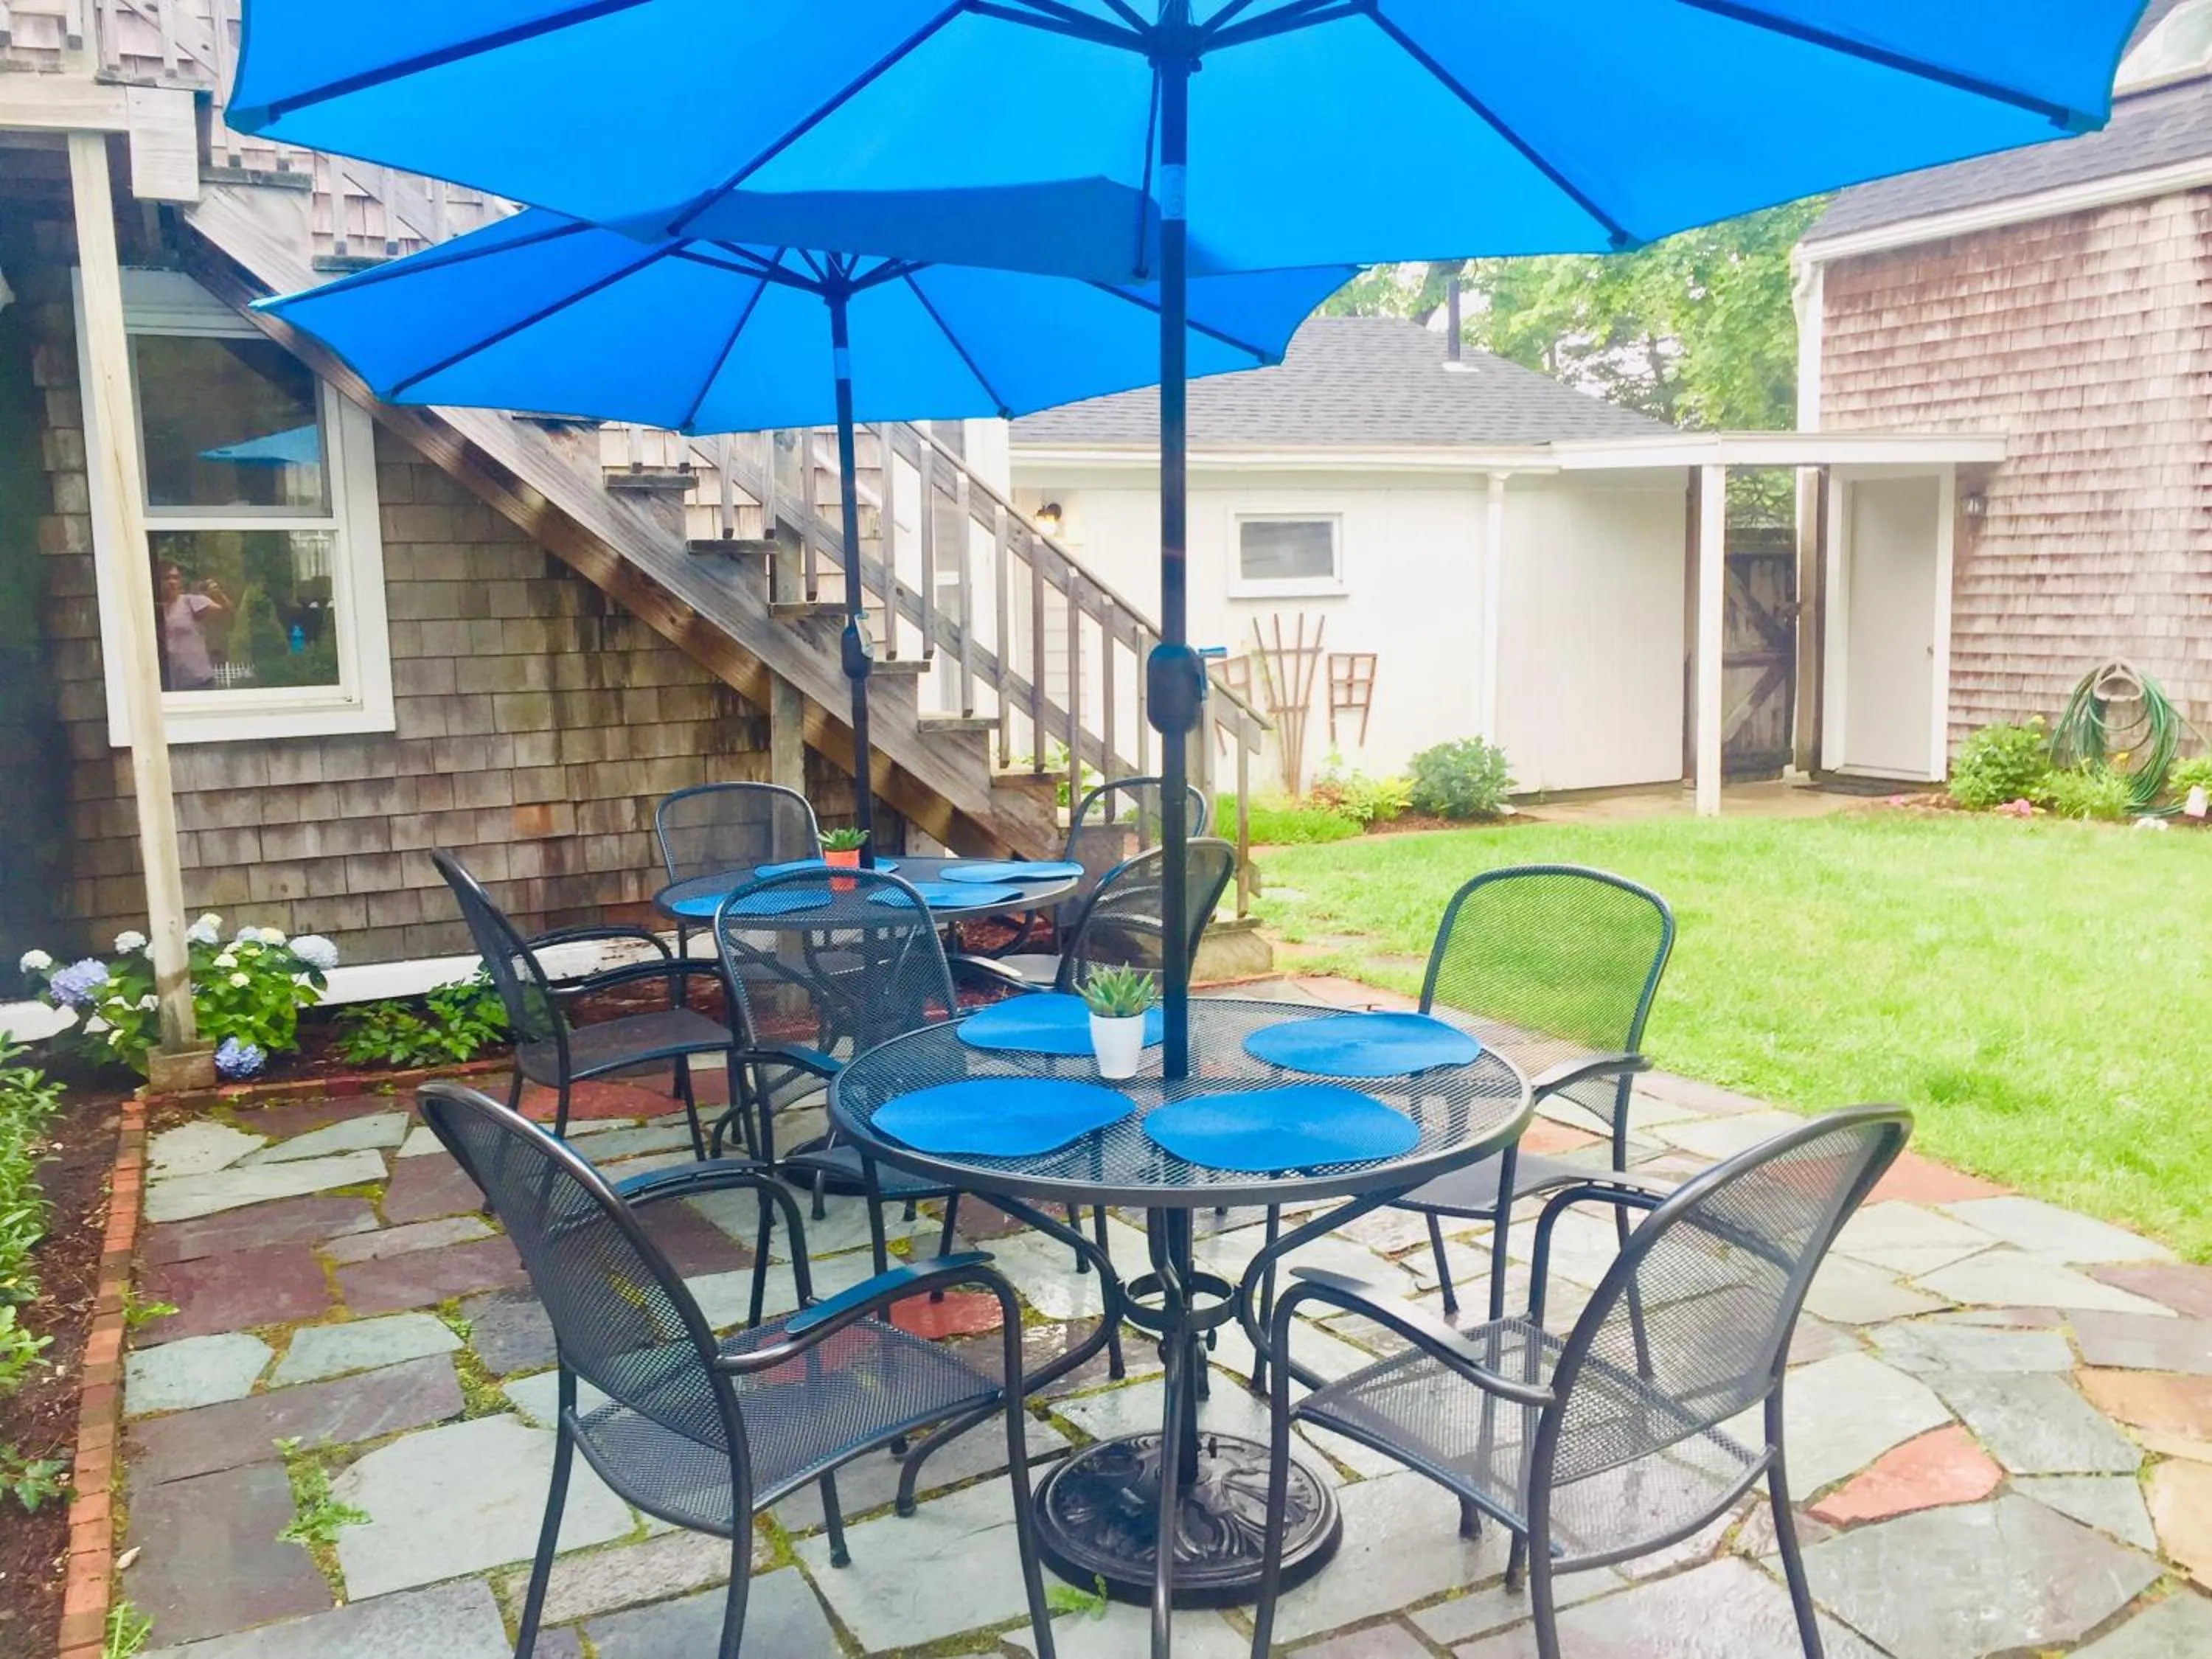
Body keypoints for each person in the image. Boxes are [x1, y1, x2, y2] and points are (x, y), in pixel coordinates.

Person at [157, 562, 229, 690]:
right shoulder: (152, 610)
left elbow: (226, 614)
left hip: (199, 681)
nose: (172, 582)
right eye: (167, 578)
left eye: (176, 578)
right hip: (170, 684)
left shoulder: (190, 602)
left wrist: (218, 594)